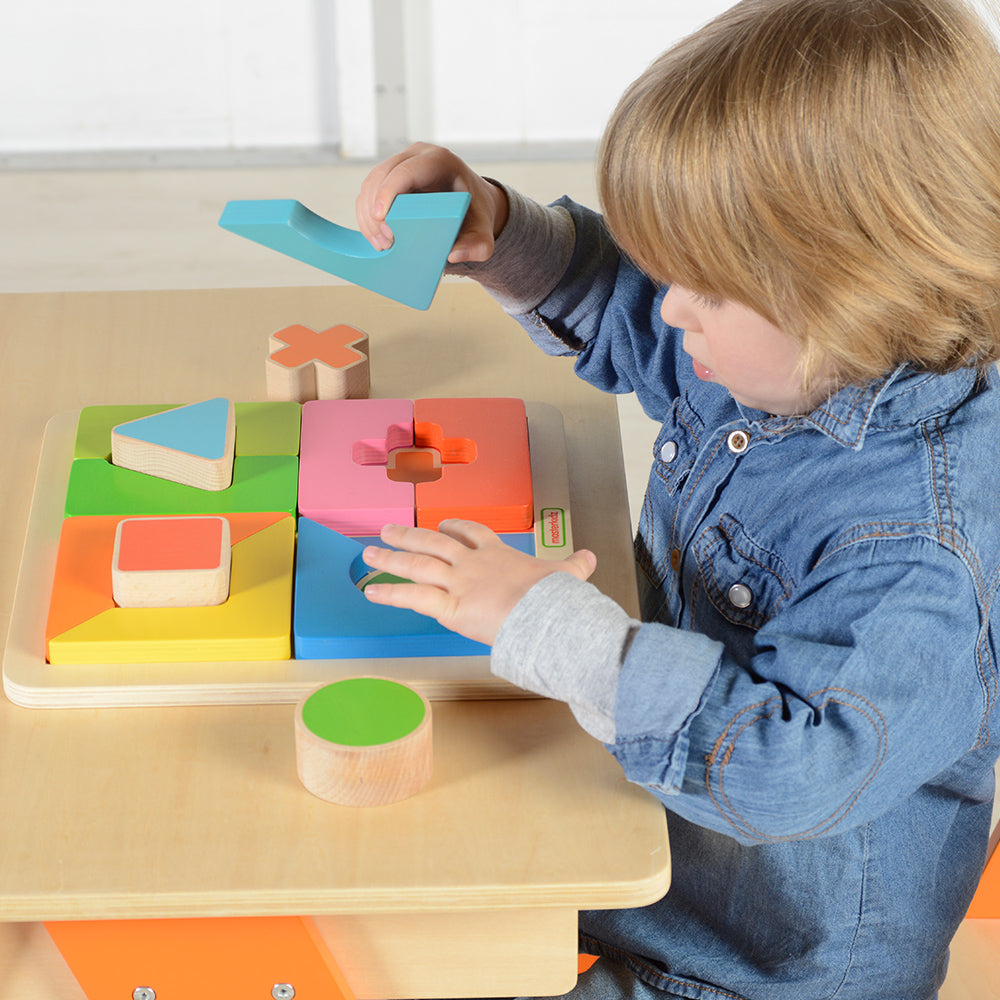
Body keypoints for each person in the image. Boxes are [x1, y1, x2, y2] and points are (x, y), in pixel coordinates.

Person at [354, 0, 1000, 996]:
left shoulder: (918, 549)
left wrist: (555, 629)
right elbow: (639, 322)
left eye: (703, 286)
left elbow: (789, 768)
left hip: (754, 965)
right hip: (643, 833)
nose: (668, 304)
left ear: (845, 297)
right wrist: (502, 234)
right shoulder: (805, 352)